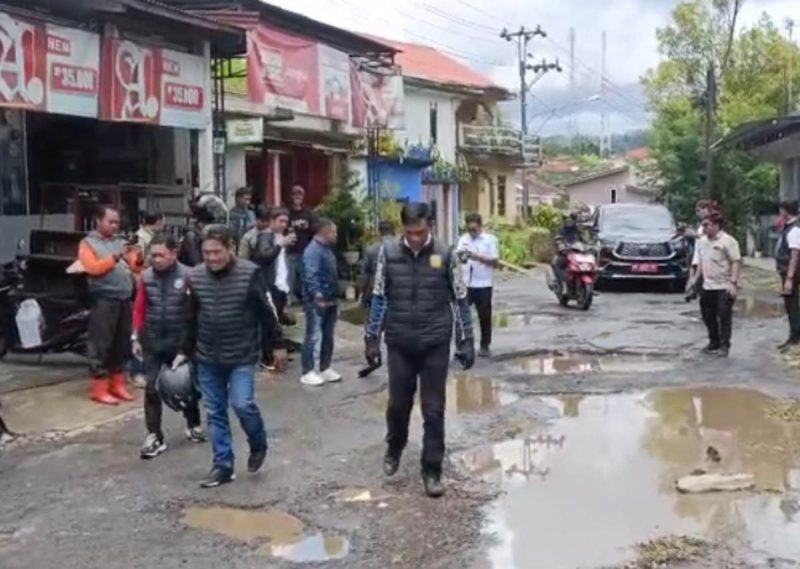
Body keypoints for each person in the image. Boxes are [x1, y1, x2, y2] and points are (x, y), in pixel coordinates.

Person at [364, 202, 475, 498]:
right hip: (400, 341)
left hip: (435, 342)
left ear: (431, 226)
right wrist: (371, 338)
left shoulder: (446, 254)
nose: (415, 238)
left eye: (421, 232)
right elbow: (378, 296)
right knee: (398, 405)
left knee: (434, 409)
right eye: (410, 233)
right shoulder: (387, 254)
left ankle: (432, 469)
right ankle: (395, 444)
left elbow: (460, 298)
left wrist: (466, 340)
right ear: (403, 228)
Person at [189, 225, 287, 488]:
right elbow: (190, 317)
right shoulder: (196, 277)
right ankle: (222, 465)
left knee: (242, 404)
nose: (211, 258)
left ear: (231, 248)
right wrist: (185, 352)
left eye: (217, 252)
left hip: (242, 355)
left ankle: (258, 443)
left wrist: (278, 344)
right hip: (207, 355)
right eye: (206, 253)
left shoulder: (249, 274)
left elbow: (267, 313)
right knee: (215, 411)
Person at [132, 234, 206, 459]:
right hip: (153, 341)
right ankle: (154, 435)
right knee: (151, 389)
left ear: (174, 254)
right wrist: (135, 337)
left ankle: (193, 423)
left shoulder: (189, 276)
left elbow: (197, 311)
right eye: (152, 255)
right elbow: (139, 309)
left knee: (187, 387)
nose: (155, 260)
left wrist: (191, 344)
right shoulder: (145, 277)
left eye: (160, 255)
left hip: (182, 342)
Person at [78, 205, 137, 405]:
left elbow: (134, 266)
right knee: (101, 344)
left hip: (124, 299)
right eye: (110, 222)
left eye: (116, 222)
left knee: (121, 343)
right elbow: (92, 268)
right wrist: (115, 256)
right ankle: (99, 388)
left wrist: (137, 257)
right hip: (103, 299)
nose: (114, 226)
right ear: (98, 221)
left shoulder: (118, 242)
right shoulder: (87, 243)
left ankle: (117, 383)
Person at [253, 207, 297, 370]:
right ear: (272, 221)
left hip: (280, 285)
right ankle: (267, 357)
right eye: (281, 221)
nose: (284, 225)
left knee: (276, 320)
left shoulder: (279, 237)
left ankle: (274, 352)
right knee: (269, 323)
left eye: (286, 221)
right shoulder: (266, 237)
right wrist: (280, 245)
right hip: (268, 285)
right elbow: (263, 256)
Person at [300, 218, 341, 387]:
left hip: (330, 298)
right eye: (334, 232)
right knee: (313, 335)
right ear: (325, 232)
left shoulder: (326, 249)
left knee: (327, 335)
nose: (336, 235)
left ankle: (325, 367)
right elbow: (310, 274)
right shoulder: (313, 251)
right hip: (317, 300)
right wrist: (317, 295)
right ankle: (308, 370)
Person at [695, 213, 741, 358]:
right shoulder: (702, 241)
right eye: (703, 225)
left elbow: (735, 261)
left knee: (724, 315)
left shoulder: (728, 241)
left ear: (716, 225)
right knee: (708, 315)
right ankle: (713, 342)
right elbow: (701, 262)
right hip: (708, 285)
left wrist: (733, 283)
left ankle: (724, 345)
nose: (704, 228)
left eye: (707, 225)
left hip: (723, 285)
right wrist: (695, 280)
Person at [455, 213, 499, 358]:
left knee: (484, 316)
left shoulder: (490, 240)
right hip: (466, 283)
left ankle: (485, 346)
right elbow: (458, 258)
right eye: (469, 230)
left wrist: (477, 257)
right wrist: (462, 256)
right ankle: (461, 347)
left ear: (480, 226)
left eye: (474, 229)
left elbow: (495, 262)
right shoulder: (463, 239)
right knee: (461, 316)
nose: (471, 232)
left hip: (484, 284)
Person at [776, 200, 800, 351]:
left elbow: (795, 253)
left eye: (781, 210)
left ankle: (794, 336)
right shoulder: (789, 228)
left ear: (785, 211)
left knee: (791, 305)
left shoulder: (794, 229)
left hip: (791, 272)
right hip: (786, 271)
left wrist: (790, 278)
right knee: (791, 304)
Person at [287, 185, 315, 300]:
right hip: (290, 249)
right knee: (290, 275)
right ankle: (288, 298)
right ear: (291, 196)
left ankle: (305, 298)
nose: (297, 197)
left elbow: (314, 229)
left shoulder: (308, 212)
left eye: (300, 194)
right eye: (295, 194)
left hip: (305, 248)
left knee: (305, 275)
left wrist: (308, 226)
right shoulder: (287, 212)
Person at [360, 220, 395, 308]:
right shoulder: (402, 247)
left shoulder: (371, 249)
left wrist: (363, 293)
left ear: (379, 232)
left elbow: (365, 275)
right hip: (396, 292)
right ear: (392, 231)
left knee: (376, 319)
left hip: (375, 290)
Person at [551, 213, 583, 289]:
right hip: (565, 253)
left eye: (572, 218)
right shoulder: (561, 230)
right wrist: (561, 246)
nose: (569, 221)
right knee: (555, 263)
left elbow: (586, 239)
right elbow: (557, 238)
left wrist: (591, 245)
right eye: (567, 219)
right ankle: (562, 283)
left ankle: (589, 286)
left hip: (578, 254)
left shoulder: (579, 229)